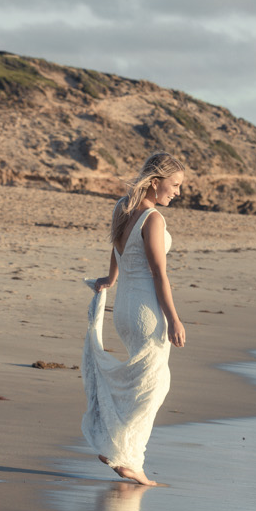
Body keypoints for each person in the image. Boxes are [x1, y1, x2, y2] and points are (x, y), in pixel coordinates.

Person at [81, 153, 187, 485]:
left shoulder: (123, 208)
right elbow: (159, 274)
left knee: (143, 381)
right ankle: (128, 457)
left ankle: (116, 445)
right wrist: (174, 318)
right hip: (146, 311)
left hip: (124, 310)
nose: (178, 193)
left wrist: (111, 279)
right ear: (156, 182)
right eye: (175, 185)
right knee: (153, 385)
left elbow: (117, 247)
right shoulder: (153, 219)